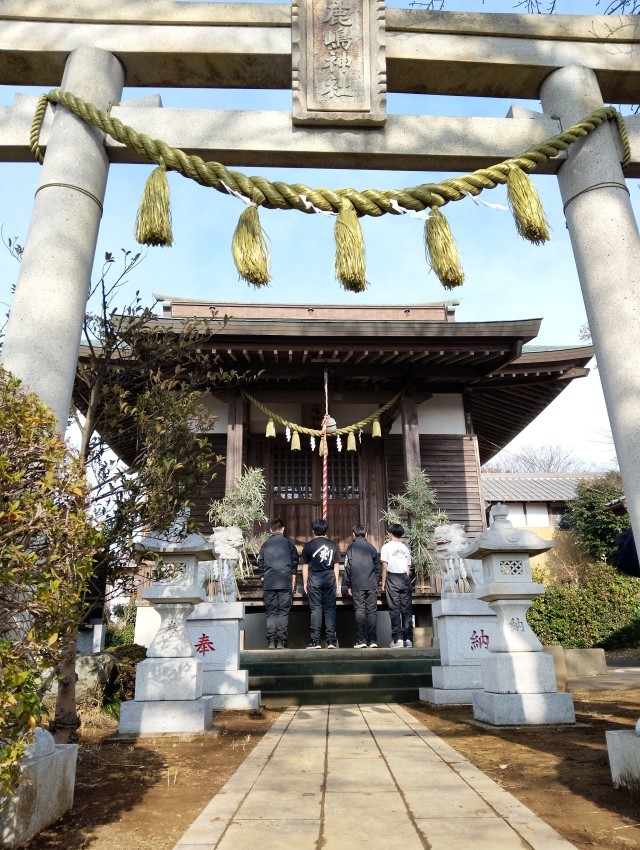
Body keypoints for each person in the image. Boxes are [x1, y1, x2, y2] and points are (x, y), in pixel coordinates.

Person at [257, 518, 299, 649]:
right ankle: (281, 641)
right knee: (283, 612)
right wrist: (293, 579)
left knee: (271, 612)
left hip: (269, 581)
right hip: (285, 580)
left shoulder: (266, 544)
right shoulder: (289, 544)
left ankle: (270, 641)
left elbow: (260, 561)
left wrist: (262, 575)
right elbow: (294, 562)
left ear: (270, 530)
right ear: (283, 529)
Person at [301, 518, 340, 649]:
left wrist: (305, 582)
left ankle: (315, 641)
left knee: (316, 609)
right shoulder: (333, 545)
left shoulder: (308, 546)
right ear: (326, 530)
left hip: (315, 578)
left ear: (313, 531)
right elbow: (336, 566)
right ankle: (331, 641)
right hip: (329, 577)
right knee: (330, 609)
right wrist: (335, 581)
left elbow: (305, 566)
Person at [343, 524, 381, 648]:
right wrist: (376, 581)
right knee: (372, 612)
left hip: (357, 584)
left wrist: (347, 584)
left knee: (360, 610)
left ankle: (361, 640)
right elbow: (378, 567)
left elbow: (347, 567)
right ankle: (373, 640)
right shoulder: (372, 548)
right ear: (366, 534)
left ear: (353, 534)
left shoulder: (351, 548)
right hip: (371, 584)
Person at [380, 523, 413, 648]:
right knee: (406, 609)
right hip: (405, 578)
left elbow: (384, 566)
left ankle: (397, 639)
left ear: (390, 533)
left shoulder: (386, 547)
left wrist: (383, 582)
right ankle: (408, 639)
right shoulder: (405, 548)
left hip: (393, 577)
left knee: (394, 609)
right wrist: (406, 578)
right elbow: (408, 567)